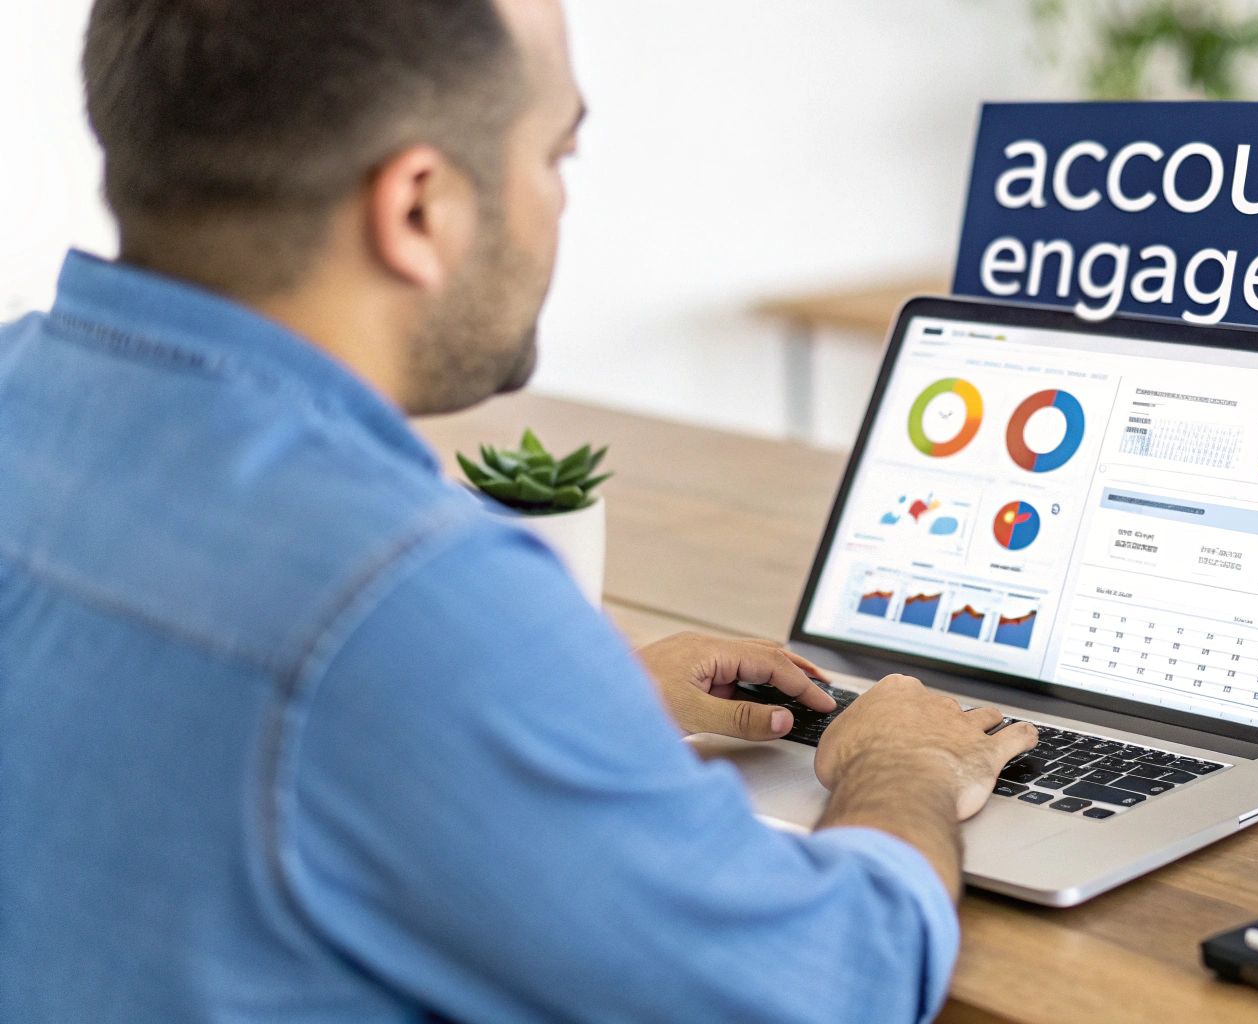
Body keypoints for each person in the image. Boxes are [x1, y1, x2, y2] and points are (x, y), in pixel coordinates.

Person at [0, 1, 1038, 1020]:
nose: (559, 204)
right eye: (556, 155)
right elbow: (830, 984)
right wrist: (901, 763)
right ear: (418, 208)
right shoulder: (407, 598)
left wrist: (568, 707)